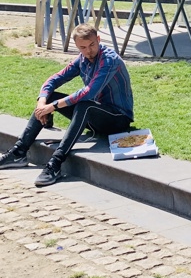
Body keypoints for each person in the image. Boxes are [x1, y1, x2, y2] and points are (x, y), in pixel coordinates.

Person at [0, 24, 133, 187]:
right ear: (77, 47)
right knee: (51, 98)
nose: (88, 50)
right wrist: (42, 101)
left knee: (85, 105)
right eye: (83, 47)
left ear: (98, 39)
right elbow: (54, 79)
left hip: (118, 119)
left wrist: (52, 107)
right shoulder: (82, 59)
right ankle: (18, 152)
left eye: (92, 45)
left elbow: (89, 92)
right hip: (95, 116)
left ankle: (55, 164)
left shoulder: (109, 60)